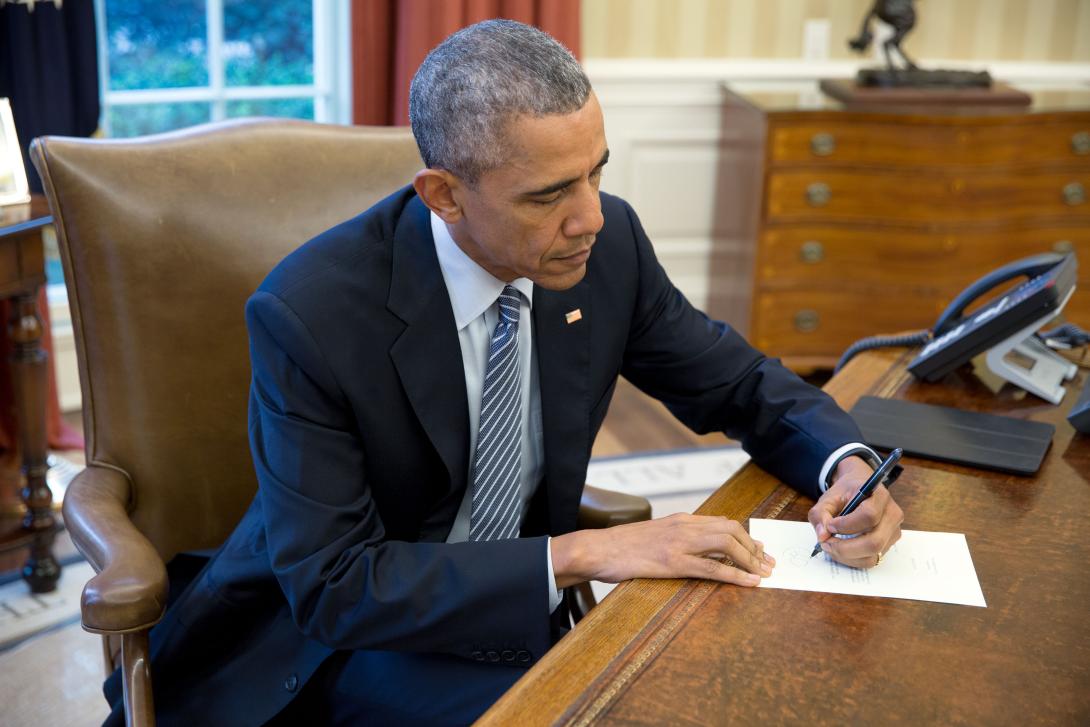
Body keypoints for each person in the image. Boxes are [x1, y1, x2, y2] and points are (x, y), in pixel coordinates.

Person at [104, 19, 903, 727]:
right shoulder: (310, 314)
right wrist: (582, 554)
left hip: (513, 610)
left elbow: (738, 382)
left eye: (597, 171)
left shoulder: (605, 244)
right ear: (444, 196)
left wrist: (849, 466)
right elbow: (334, 586)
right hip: (334, 646)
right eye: (551, 193)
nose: (590, 213)